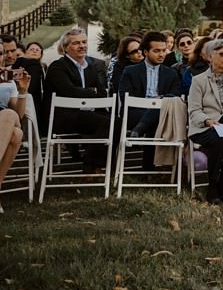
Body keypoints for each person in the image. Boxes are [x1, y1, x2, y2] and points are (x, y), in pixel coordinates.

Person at [44, 28, 111, 172]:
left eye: (84, 42)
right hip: (66, 117)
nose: (82, 46)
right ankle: (92, 165)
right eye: (76, 43)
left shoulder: (90, 67)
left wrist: (88, 94)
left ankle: (101, 164)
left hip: (89, 114)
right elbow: (69, 92)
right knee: (107, 123)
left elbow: (101, 93)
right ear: (65, 48)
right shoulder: (57, 67)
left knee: (117, 122)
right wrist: (91, 92)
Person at [188, 39, 223, 205]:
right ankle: (212, 186)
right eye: (222, 54)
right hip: (204, 127)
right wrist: (207, 121)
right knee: (218, 140)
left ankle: (222, 181)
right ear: (210, 56)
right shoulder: (198, 80)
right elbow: (194, 110)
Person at [118, 31, 183, 142]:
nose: (161, 54)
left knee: (166, 106)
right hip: (136, 113)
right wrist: (152, 103)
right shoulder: (130, 71)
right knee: (158, 116)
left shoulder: (171, 73)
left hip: (163, 113)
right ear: (145, 52)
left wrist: (160, 99)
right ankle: (141, 132)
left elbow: (175, 96)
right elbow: (125, 97)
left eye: (163, 50)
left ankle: (139, 130)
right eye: (156, 51)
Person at [0, 68, 30, 211]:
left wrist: (22, 91)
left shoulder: (8, 80)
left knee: (10, 115)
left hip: (4, 120)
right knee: (16, 134)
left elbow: (19, 115)